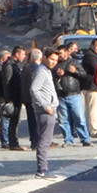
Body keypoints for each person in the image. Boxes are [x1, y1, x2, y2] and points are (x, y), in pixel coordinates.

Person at [25, 47, 60, 176]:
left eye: (56, 60)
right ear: (44, 57)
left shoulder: (46, 71)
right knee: (45, 141)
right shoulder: (41, 71)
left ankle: (43, 169)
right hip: (45, 111)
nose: (53, 62)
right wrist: (45, 105)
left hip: (48, 110)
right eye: (51, 59)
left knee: (45, 140)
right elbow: (34, 89)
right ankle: (42, 170)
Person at [53, 44, 95, 146]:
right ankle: (68, 139)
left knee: (79, 118)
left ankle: (85, 139)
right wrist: (56, 75)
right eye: (58, 54)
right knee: (63, 120)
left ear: (67, 52)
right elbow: (51, 77)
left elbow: (84, 74)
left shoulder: (74, 62)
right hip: (62, 96)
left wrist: (75, 71)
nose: (59, 56)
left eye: (61, 53)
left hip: (74, 95)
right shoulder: (55, 65)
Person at [0, 47, 25, 150]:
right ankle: (11, 143)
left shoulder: (14, 65)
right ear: (17, 54)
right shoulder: (9, 65)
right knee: (9, 121)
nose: (24, 57)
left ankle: (12, 142)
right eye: (22, 54)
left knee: (14, 121)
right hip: (11, 98)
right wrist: (9, 99)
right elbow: (7, 82)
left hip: (15, 97)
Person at [20, 46, 46, 147]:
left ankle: (34, 140)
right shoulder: (37, 69)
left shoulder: (27, 67)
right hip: (34, 99)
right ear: (40, 58)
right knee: (37, 121)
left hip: (27, 98)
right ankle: (37, 142)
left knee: (31, 120)